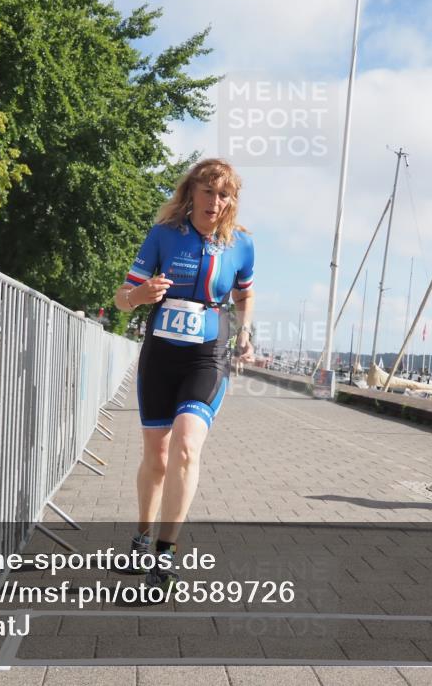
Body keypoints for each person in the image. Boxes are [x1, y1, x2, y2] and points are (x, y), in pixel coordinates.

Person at [114, 158, 255, 589]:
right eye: (208, 192)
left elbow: (245, 295)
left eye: (224, 194)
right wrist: (139, 295)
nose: (216, 201)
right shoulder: (163, 236)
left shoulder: (242, 245)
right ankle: (141, 535)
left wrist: (245, 332)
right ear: (191, 192)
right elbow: (121, 299)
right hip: (161, 355)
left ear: (232, 201)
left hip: (207, 356)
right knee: (157, 458)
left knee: (188, 446)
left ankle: (165, 551)